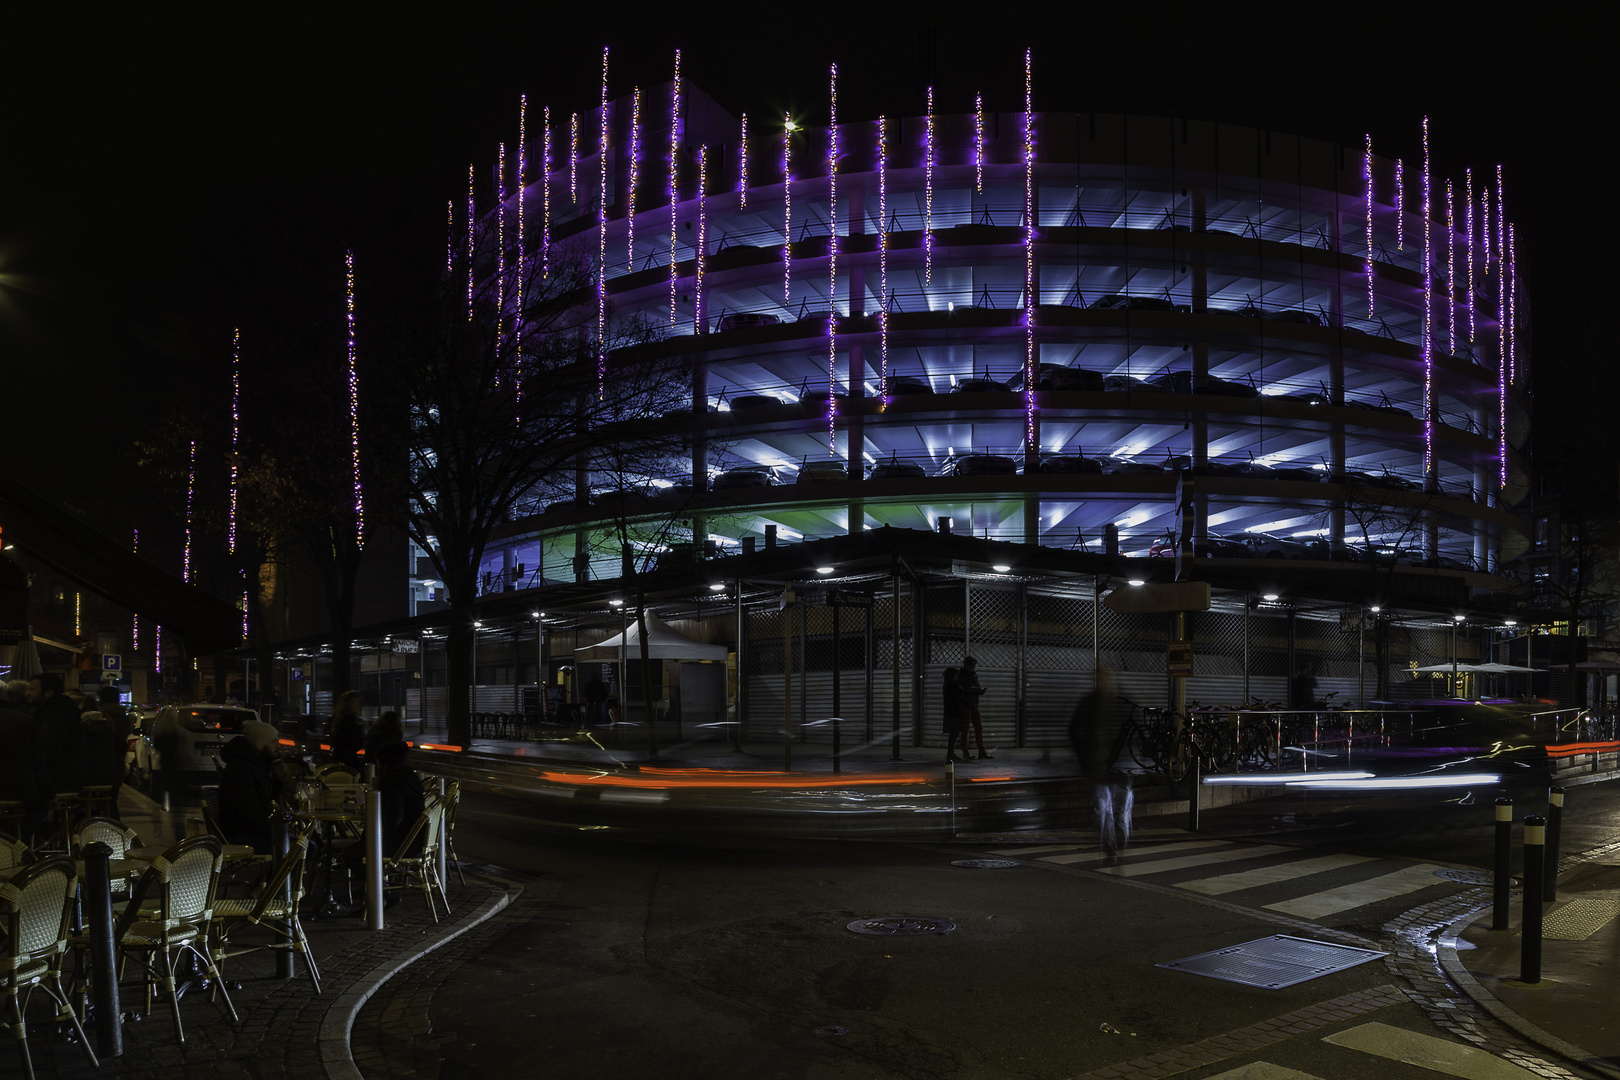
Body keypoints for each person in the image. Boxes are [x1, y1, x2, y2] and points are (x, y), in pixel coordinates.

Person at [1068, 666, 1133, 863]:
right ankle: (1110, 846)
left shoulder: (1120, 703)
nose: (1103, 683)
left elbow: (1132, 731)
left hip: (1117, 765)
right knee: (1104, 807)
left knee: (1119, 808)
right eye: (1100, 679)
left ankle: (1120, 840)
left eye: (1105, 679)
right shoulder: (1088, 703)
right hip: (1097, 764)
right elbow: (1073, 729)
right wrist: (1084, 757)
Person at [218, 719, 281, 854]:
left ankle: (277, 874)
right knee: (302, 848)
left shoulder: (258, 764)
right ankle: (278, 875)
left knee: (302, 845)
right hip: (242, 835)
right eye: (273, 742)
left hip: (254, 831)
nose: (277, 747)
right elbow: (249, 810)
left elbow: (265, 798)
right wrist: (274, 829)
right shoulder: (240, 769)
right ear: (260, 744)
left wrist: (279, 781)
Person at [28, 673, 87, 798]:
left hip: (61, 777)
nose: (28, 693)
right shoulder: (51, 711)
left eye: (32, 689)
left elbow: (48, 747)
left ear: (48, 693)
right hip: (61, 774)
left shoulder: (58, 715)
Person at [80, 708, 128, 821]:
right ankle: (116, 830)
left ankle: (85, 824)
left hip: (88, 775)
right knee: (111, 803)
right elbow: (122, 747)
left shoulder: (83, 733)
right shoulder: (110, 732)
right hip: (111, 775)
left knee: (81, 801)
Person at [960, 656, 991, 759]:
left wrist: (979, 690)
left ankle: (981, 752)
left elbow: (976, 686)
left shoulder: (974, 675)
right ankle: (965, 752)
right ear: (966, 665)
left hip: (974, 704)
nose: (973, 668)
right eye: (972, 665)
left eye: (974, 666)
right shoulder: (961, 675)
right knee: (965, 729)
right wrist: (975, 690)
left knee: (978, 728)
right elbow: (961, 690)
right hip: (965, 705)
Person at [328, 690, 365, 771]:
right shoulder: (351, 721)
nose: (359, 706)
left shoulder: (335, 719)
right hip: (350, 760)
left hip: (338, 758)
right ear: (349, 704)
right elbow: (357, 741)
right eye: (357, 703)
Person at [942, 667, 968, 762]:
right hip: (955, 712)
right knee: (954, 733)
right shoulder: (953, 684)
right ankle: (950, 754)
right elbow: (959, 696)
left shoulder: (947, 684)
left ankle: (950, 753)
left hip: (950, 712)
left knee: (954, 733)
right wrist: (962, 691)